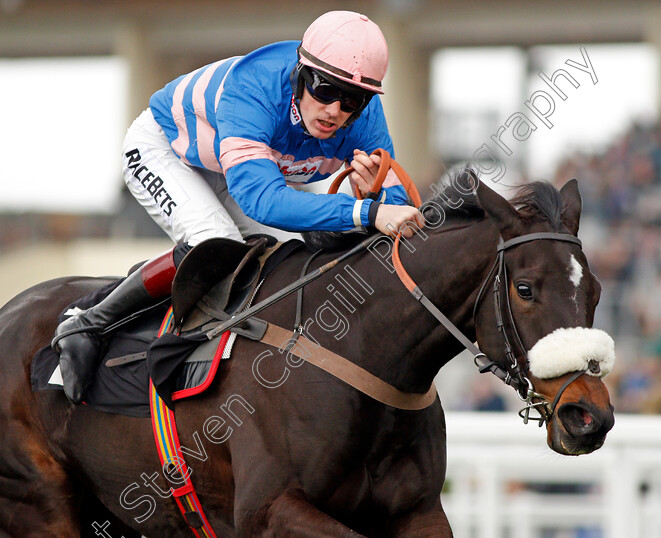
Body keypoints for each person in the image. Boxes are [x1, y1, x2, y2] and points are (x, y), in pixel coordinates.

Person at [53, 10, 424, 404]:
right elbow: (262, 200)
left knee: (289, 257)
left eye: (351, 99)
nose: (335, 110)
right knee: (216, 242)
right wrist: (365, 212)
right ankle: (89, 324)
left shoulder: (365, 117)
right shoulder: (255, 87)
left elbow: (396, 210)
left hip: (232, 168)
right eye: (323, 90)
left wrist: (371, 197)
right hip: (166, 149)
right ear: (301, 73)